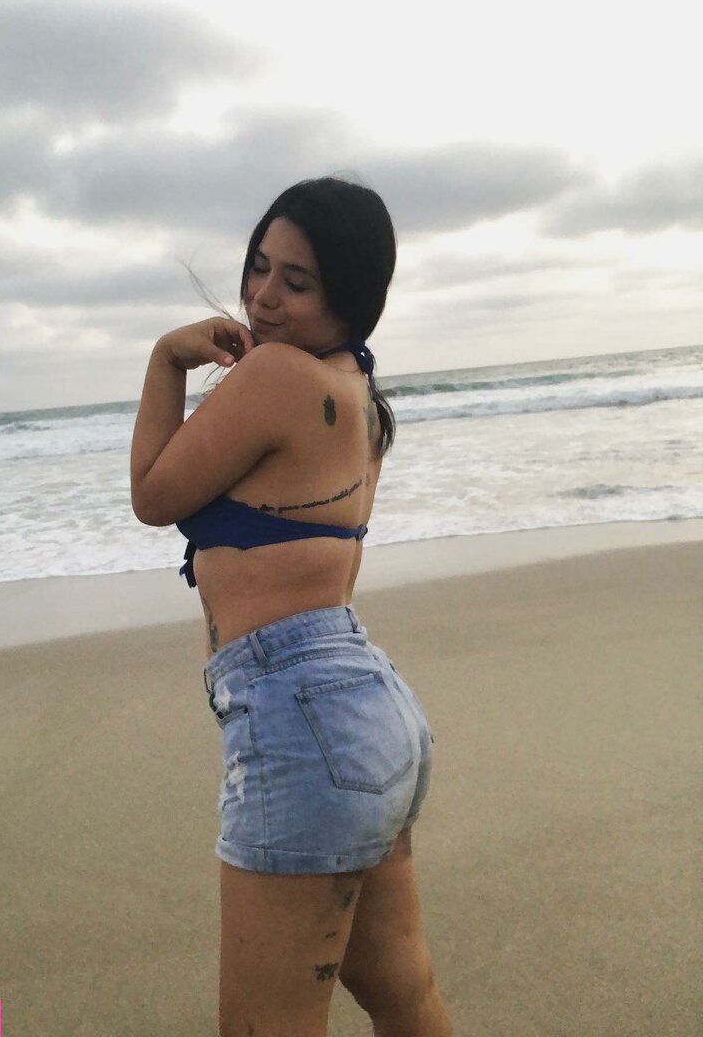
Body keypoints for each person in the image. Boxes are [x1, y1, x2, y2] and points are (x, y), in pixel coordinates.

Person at [131, 177, 452, 1037]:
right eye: (259, 267)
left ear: (351, 296)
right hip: (369, 712)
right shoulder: (360, 398)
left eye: (296, 282)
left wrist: (166, 360)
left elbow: (153, 494)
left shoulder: (276, 375)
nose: (264, 297)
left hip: (301, 719)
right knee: (403, 992)